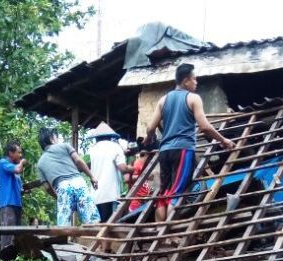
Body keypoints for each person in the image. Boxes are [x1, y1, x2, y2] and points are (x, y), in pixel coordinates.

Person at [144, 63, 235, 223]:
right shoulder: (193, 98)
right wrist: (224, 140)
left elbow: (150, 127)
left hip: (164, 151)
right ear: (186, 81)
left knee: (163, 193)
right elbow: (205, 127)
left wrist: (149, 138)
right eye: (194, 79)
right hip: (183, 150)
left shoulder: (163, 100)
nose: (196, 82)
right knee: (177, 193)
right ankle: (168, 234)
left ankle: (160, 232)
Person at [35, 127, 100, 227]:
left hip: (62, 187)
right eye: (56, 137)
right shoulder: (64, 146)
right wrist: (91, 176)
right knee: (91, 219)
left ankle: (64, 240)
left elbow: (47, 188)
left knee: (64, 224)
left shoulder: (40, 163)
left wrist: (58, 197)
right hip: (79, 182)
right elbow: (78, 161)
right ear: (52, 138)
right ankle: (97, 240)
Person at [87, 122, 131, 222]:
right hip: (110, 195)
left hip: (95, 196)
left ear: (96, 138)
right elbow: (123, 169)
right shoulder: (115, 147)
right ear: (110, 137)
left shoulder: (92, 149)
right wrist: (132, 168)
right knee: (111, 226)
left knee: (100, 225)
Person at [0, 140, 26, 251]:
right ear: (10, 153)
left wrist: (24, 190)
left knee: (16, 235)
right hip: (7, 204)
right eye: (18, 152)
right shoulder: (3, 163)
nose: (20, 155)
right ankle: (4, 260)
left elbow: (19, 189)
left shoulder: (14, 169)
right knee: (8, 234)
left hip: (17, 205)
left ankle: (14, 259)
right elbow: (18, 169)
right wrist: (22, 162)